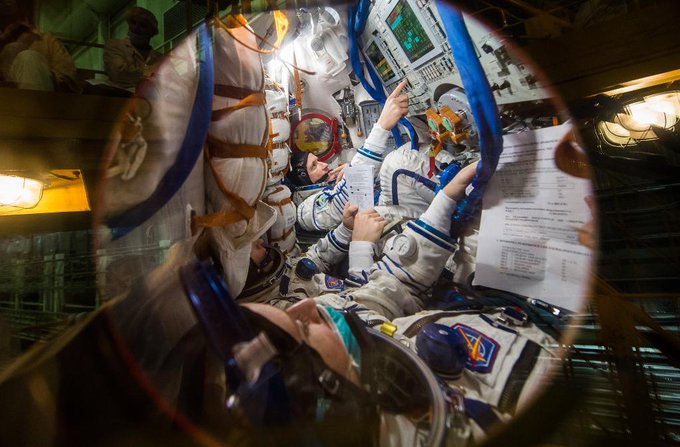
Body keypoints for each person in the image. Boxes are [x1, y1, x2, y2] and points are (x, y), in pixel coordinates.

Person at [290, 80, 409, 232]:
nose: (325, 165)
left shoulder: (332, 187)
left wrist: (350, 171)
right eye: (314, 166)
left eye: (318, 161)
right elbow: (346, 202)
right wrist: (382, 127)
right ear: (303, 178)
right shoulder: (305, 212)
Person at [0, 0, 79, 92]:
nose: (6, 4)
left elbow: (67, 77)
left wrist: (37, 71)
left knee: (28, 57)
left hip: (43, 95)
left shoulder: (47, 41)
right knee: (13, 49)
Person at [103, 6, 163, 93]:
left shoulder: (159, 58)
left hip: (151, 98)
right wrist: (151, 74)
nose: (136, 28)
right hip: (121, 96)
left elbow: (166, 81)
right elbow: (118, 73)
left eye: (143, 25)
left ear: (151, 32)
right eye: (133, 22)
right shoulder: (114, 45)